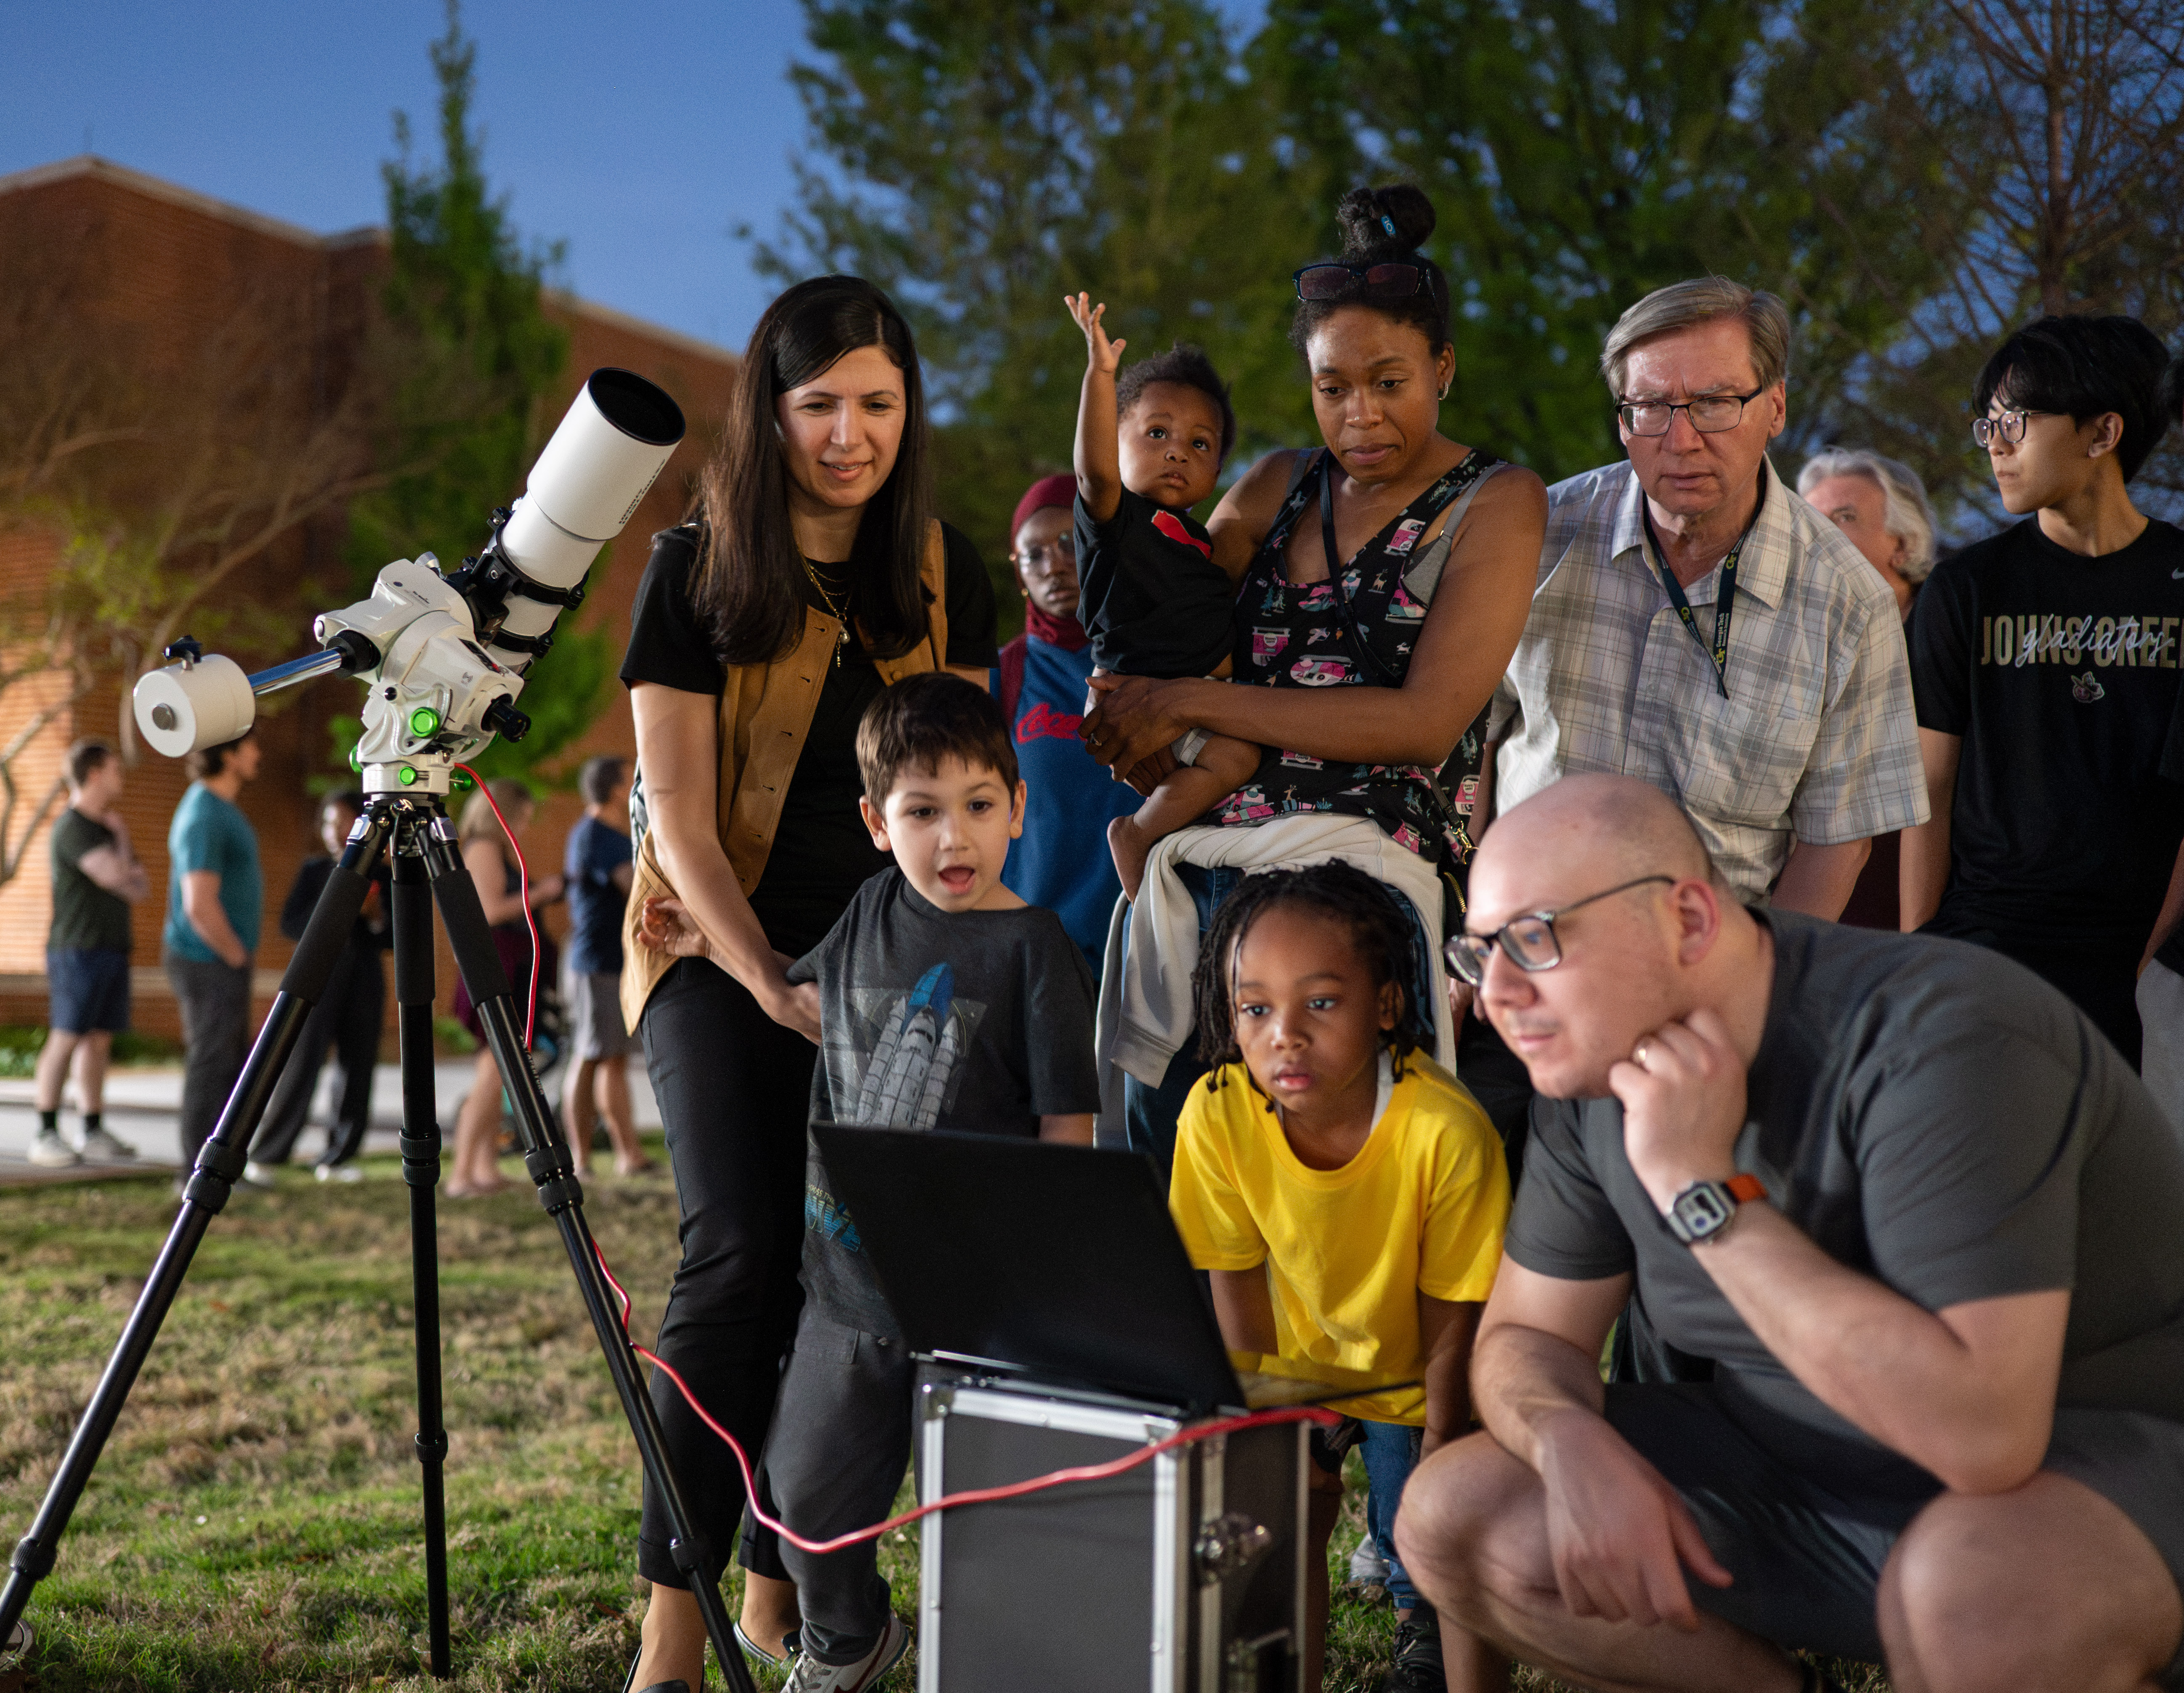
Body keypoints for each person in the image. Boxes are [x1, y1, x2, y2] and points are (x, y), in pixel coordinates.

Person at [1395, 773, 2184, 1693]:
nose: (1494, 996)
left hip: (2084, 1477)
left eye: (1533, 940)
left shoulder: (1945, 1036)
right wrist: (1566, 1437)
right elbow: (1524, 1340)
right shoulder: (1595, 1063)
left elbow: (1985, 1438)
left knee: (1970, 1588)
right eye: (1480, 952)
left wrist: (1703, 1192)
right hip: (1804, 1476)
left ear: (1689, 919)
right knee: (1458, 1509)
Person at [616, 274, 997, 1693]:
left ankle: (782, 1588)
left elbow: (957, 801)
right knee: (737, 1250)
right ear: (768, 415)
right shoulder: (696, 568)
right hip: (716, 946)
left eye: (878, 403)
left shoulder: (951, 570)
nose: (850, 433)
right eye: (819, 403)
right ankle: (673, 1634)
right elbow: (680, 820)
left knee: (848, 1274)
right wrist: (768, 979)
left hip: (885, 969)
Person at [1078, 183, 1545, 1183]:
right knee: (1190, 1192)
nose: (1359, 415)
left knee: (1323, 1199)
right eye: (1332, 388)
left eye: (1388, 382)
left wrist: (1190, 705)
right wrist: (1122, 706)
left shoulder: (1494, 502)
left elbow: (1423, 722)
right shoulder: (1268, 487)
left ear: (1444, 369)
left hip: (1365, 874)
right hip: (1215, 849)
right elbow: (1164, 617)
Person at [647, 674, 1097, 1691]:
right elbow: (806, 999)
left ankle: (988, 1658)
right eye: (922, 810)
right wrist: (702, 943)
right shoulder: (868, 909)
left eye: (981, 805)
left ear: (1019, 809)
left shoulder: (1036, 951)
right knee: (800, 1497)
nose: (955, 837)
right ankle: (849, 1635)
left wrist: (1047, 1264)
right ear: (875, 822)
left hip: (975, 1301)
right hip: (844, 1288)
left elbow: (1068, 1120)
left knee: (977, 1515)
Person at [1486, 276, 1927, 921]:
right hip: (1524, 938)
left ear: (1774, 408)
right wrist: (1471, 935)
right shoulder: (1537, 535)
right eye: (1652, 407)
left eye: (1715, 403)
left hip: (1705, 964)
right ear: (1621, 421)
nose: (1682, 439)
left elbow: (1835, 844)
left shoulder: (1847, 605)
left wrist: (1761, 999)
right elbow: (1467, 747)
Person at [1170, 861, 1509, 1693]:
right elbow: (1238, 1293)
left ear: (1387, 1005)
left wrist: (1441, 1439)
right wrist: (1268, 1432)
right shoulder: (1216, 1111)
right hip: (1293, 1368)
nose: (1284, 1031)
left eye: (1320, 1001)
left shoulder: (1447, 1132)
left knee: (1435, 1538)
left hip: (1416, 1375)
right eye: (1256, 1008)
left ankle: (1440, 1646)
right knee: (1281, 1529)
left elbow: (1454, 1312)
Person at [1904, 314, 2184, 1072]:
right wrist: (1919, 954)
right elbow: (1929, 787)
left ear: (2102, 434)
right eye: (1987, 422)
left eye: (2016, 421)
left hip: (2133, 962)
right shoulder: (1966, 588)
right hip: (1982, 945)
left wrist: (2140, 966)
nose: (1994, 443)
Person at [1062, 299, 1261, 900]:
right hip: (1137, 691)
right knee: (1236, 760)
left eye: (1201, 445)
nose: (1178, 450)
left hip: (1191, 697)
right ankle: (1136, 834)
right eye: (1156, 433)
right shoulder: (1115, 519)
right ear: (1116, 441)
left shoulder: (1198, 541)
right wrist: (1099, 378)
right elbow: (1094, 473)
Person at [994, 471, 1138, 973]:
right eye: (1032, 554)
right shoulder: (1002, 675)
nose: (1053, 565)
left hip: (1146, 944)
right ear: (1019, 574)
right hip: (1035, 955)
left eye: (1068, 542)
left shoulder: (1149, 658)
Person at [1796, 448, 1940, 931]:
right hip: (1816, 920)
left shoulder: (1943, 643)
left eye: (1844, 517)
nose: (1817, 536)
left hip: (1925, 926)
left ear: (1903, 542)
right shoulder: (1789, 648)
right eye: (1808, 520)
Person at [246, 791, 389, 1183]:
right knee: (301, 1061)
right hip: (319, 974)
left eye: (343, 821)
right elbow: (291, 924)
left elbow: (391, 938)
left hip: (363, 977)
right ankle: (272, 1151)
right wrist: (337, 908)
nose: (335, 830)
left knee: (357, 1066)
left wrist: (376, 916)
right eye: (329, 822)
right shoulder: (314, 870)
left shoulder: (380, 872)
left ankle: (338, 1155)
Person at [31, 738, 149, 1168]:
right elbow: (118, 874)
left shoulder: (104, 828)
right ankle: (45, 1133)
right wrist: (120, 844)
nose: (121, 776)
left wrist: (120, 855)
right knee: (67, 1036)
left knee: (99, 1041)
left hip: (113, 948)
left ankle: (92, 1129)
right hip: (76, 949)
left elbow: (140, 888)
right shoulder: (75, 827)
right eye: (115, 768)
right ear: (95, 772)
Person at [446, 777, 561, 1199]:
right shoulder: (485, 849)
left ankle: (485, 1169)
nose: (525, 827)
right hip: (494, 970)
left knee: (496, 1072)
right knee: (493, 1074)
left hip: (502, 968)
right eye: (521, 818)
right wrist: (541, 893)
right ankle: (461, 1174)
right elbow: (491, 911)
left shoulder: (490, 849)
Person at [162, 730, 263, 1182]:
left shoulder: (221, 808)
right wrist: (235, 955)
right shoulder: (203, 813)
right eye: (251, 746)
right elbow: (198, 904)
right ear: (229, 754)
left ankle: (223, 1172)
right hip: (207, 957)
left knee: (229, 1066)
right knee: (211, 1065)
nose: (258, 754)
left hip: (221, 958)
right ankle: (196, 1178)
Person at [561, 755, 651, 1178]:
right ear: (617, 789)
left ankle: (618, 1154)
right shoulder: (598, 836)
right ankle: (599, 1158)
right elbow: (635, 888)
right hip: (597, 961)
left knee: (605, 1056)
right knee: (595, 1055)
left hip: (606, 960)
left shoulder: (600, 833)